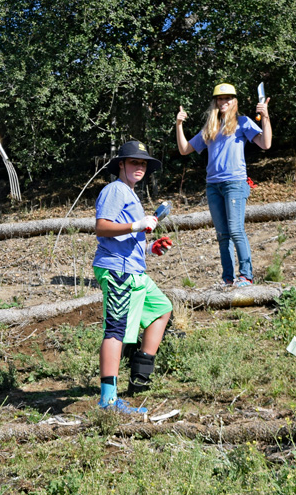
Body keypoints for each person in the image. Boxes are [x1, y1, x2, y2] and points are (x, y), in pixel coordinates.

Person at [93, 140, 174, 414]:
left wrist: (151, 247)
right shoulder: (115, 190)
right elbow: (102, 228)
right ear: (121, 164)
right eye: (134, 162)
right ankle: (108, 401)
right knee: (115, 330)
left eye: (143, 163)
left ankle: (140, 373)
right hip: (117, 270)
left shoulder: (130, 193)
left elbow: (127, 239)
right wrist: (138, 224)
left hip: (134, 270)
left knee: (162, 308)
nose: (139, 167)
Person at [176, 83, 272, 286]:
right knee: (222, 235)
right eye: (220, 99)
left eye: (228, 98)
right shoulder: (210, 127)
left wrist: (265, 117)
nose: (223, 102)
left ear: (234, 101)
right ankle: (228, 279)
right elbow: (184, 149)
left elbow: (266, 144)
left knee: (236, 230)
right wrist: (179, 124)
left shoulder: (243, 122)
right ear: (215, 102)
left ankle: (246, 276)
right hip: (213, 186)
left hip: (235, 184)